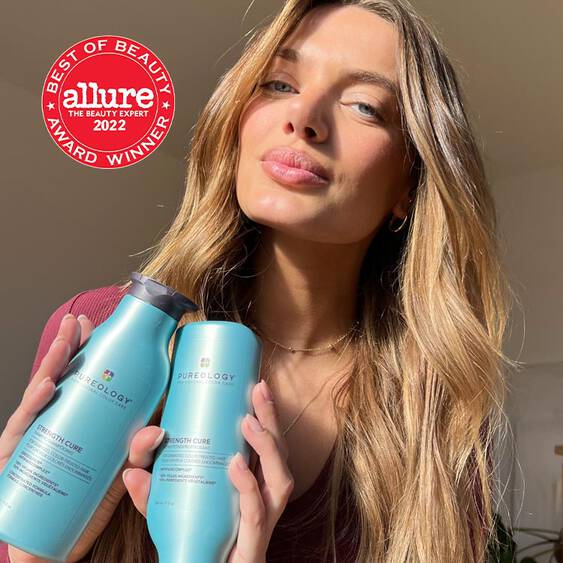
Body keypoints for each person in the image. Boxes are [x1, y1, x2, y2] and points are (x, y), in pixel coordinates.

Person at [0, 0, 518, 561]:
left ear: (409, 186)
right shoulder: (106, 328)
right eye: (279, 84)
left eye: (365, 106)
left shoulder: (441, 407)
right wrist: (34, 555)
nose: (304, 117)